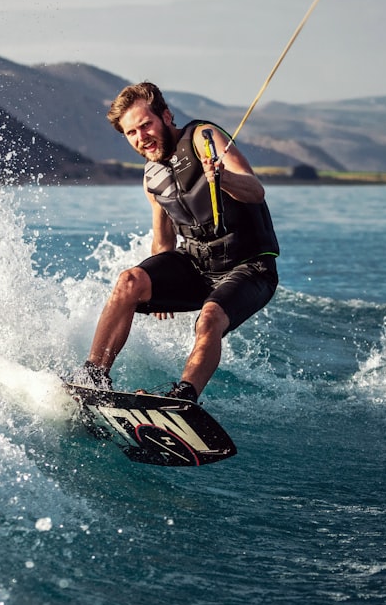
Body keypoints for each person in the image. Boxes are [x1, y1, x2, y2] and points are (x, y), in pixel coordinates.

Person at [77, 81, 279, 402]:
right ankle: (93, 377)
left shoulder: (203, 138)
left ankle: (184, 398)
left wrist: (222, 177)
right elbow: (164, 240)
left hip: (249, 266)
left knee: (209, 318)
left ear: (166, 117)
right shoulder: (152, 177)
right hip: (198, 266)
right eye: (132, 133)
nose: (142, 137)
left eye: (146, 125)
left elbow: (256, 190)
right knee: (129, 282)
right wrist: (157, 281)